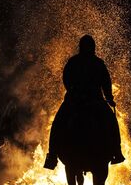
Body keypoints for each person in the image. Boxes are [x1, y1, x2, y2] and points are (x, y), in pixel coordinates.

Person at [43, 35, 125, 169]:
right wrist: (109, 99)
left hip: (75, 101)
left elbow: (67, 80)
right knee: (111, 121)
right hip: (95, 101)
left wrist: (73, 92)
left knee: (58, 123)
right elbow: (106, 82)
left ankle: (52, 155)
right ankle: (116, 151)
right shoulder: (98, 63)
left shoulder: (73, 62)